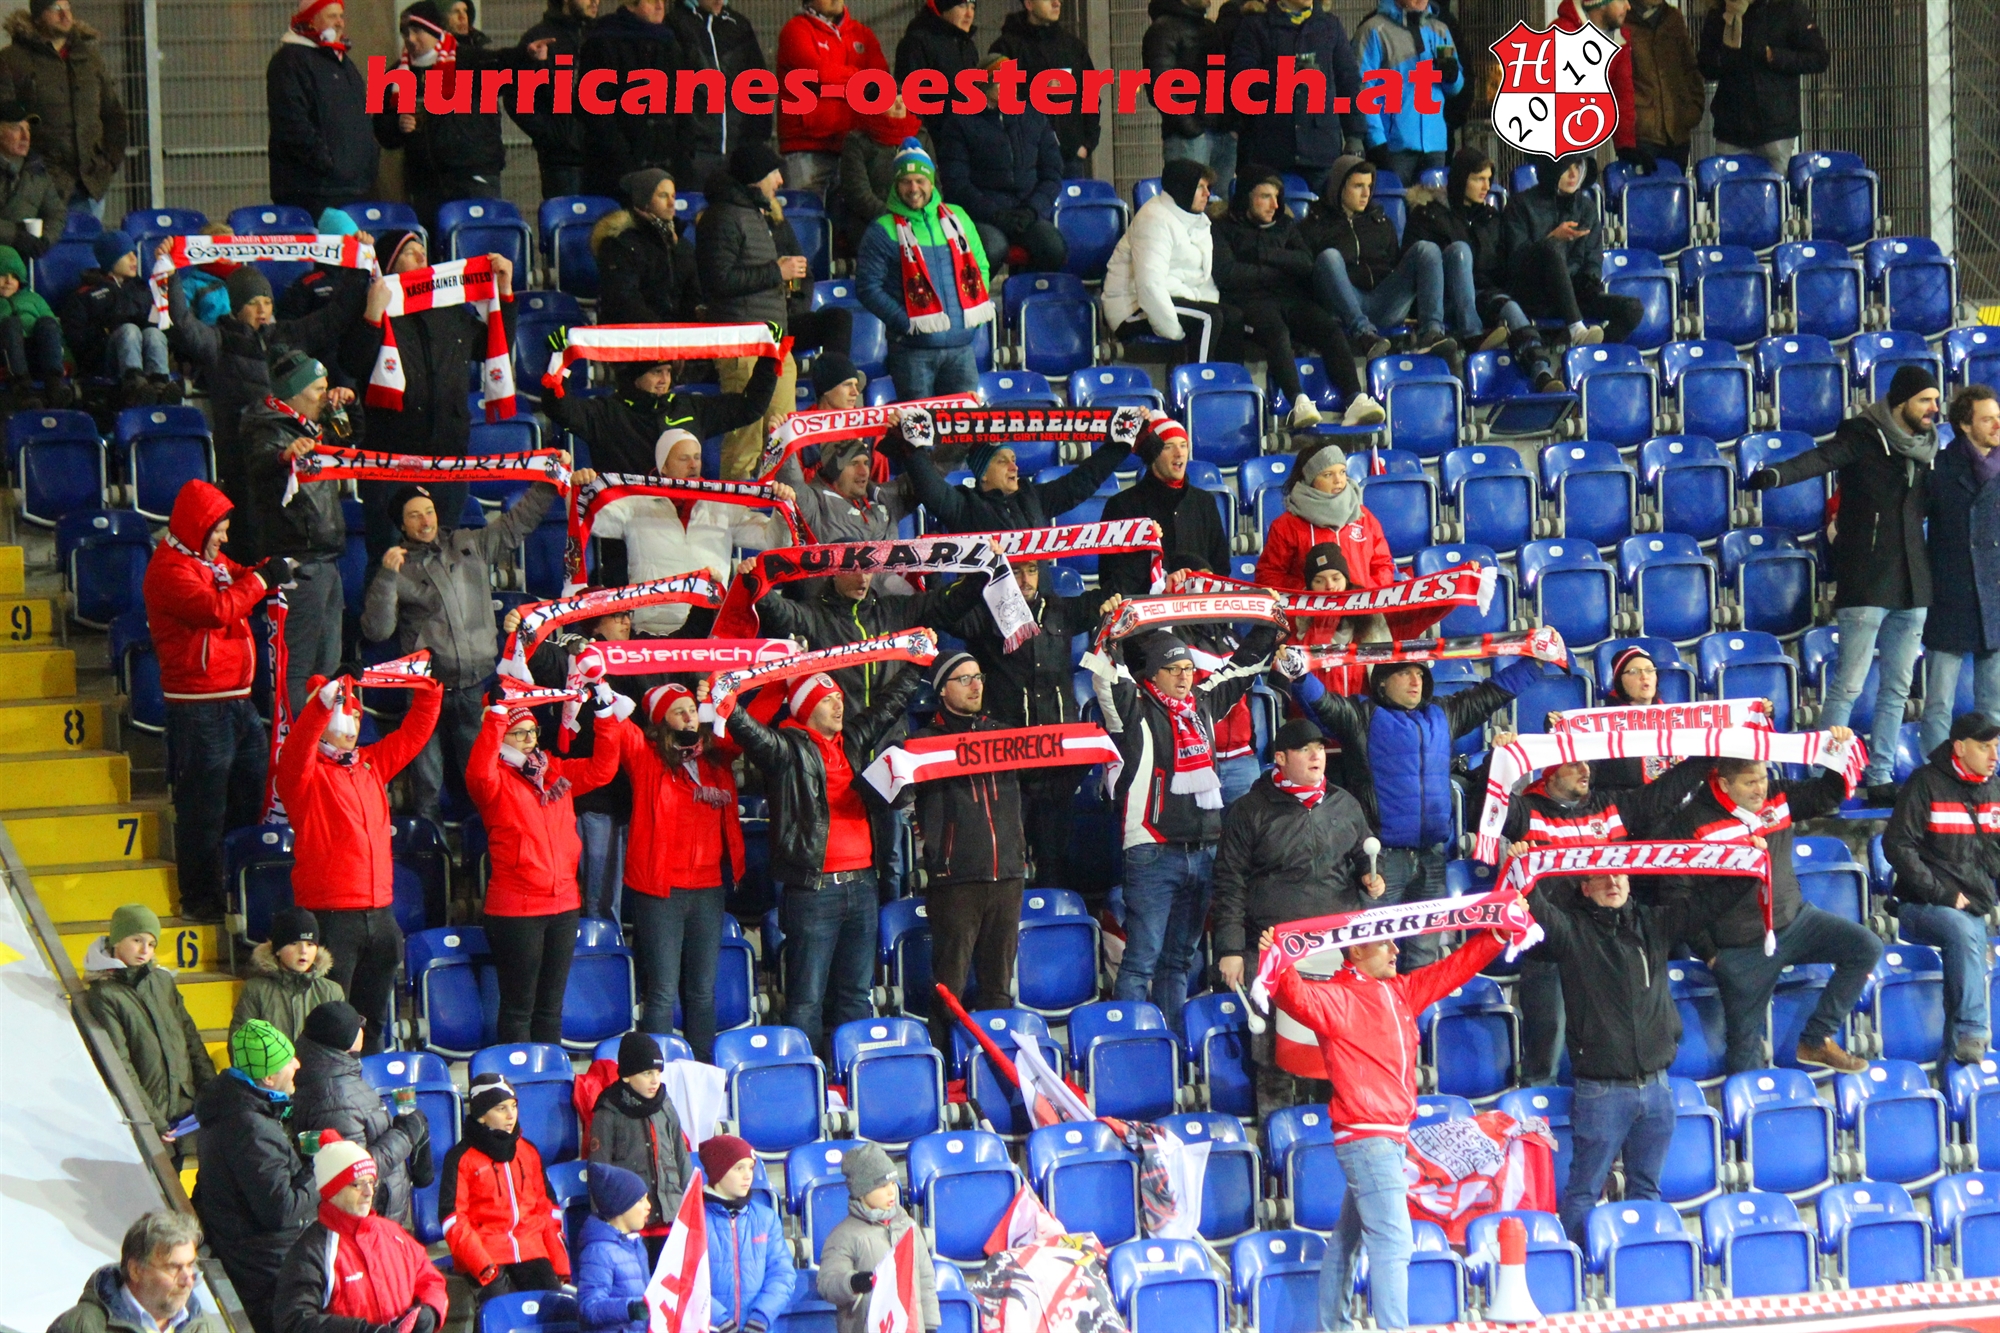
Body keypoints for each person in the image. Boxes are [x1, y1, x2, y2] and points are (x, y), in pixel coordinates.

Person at [1268, 926, 1506, 1331]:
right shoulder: (1338, 997)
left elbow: (1454, 968)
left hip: (1385, 1137)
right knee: (1393, 1243)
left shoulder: (1401, 991)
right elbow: (1292, 995)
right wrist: (1279, 956)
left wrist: (1496, 935)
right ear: (1357, 951)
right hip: (1369, 1138)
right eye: (1384, 942)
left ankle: (1333, 1327)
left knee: (1347, 1241)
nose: (1396, 949)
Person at [1744, 365, 1939, 804]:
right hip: (1867, 578)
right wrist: (1777, 475)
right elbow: (1821, 459)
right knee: (1849, 685)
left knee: (1898, 688)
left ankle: (1880, 775)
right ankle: (1824, 778)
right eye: (1925, 400)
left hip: (1913, 581)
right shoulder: (1863, 435)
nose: (1933, 408)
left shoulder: (1929, 449)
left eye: (1935, 399)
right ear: (1901, 401)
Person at [1287, 652, 1554, 970]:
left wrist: (1535, 664)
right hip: (1379, 861)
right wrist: (1298, 674)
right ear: (1382, 682)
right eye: (1405, 673)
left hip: (1432, 856)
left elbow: (1491, 693)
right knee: (1373, 959)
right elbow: (1323, 703)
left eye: (1420, 673)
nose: (1416, 680)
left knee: (1423, 960)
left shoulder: (1444, 713)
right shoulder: (1362, 716)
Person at [1528, 870, 1756, 1242]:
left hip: (1656, 1087)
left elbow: (1709, 903)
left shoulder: (1654, 924)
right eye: (1601, 878)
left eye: (1619, 875)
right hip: (1601, 1091)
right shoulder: (1572, 932)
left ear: (1630, 881)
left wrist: (1749, 866)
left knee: (1647, 1189)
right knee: (1585, 1190)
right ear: (1584, 888)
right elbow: (1534, 907)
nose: (1613, 883)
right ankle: (1577, 1270)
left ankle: (1638, 1261)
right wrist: (1521, 871)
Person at [1090, 622, 1277, 1033]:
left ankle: (1172, 1047)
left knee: (1179, 961)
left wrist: (1269, 625)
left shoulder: (1203, 705)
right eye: (1172, 668)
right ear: (1152, 674)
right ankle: (1130, 1046)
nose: (1182, 676)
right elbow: (1105, 675)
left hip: (1205, 850)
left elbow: (1243, 668)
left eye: (1188, 668)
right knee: (1141, 961)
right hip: (1152, 852)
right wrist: (1109, 629)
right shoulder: (1133, 710)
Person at [727, 669, 922, 1054]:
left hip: (862, 885)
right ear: (806, 708)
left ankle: (853, 1070)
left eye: (838, 698)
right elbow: (751, 734)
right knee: (806, 999)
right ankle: (808, 1075)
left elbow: (887, 707)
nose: (838, 705)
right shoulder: (787, 749)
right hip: (813, 891)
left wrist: (917, 664)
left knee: (856, 994)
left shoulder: (851, 741)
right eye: (827, 699)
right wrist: (727, 704)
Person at [1655, 749, 1879, 1073]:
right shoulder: (1691, 824)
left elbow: (1828, 794)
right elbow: (1675, 895)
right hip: (1741, 947)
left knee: (1866, 945)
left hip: (1796, 922)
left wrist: (1835, 756)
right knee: (1744, 1046)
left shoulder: (1778, 796)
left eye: (1763, 778)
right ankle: (1748, 1104)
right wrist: (1710, 953)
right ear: (1724, 783)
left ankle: (1816, 1039)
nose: (1761, 789)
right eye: (1750, 782)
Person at [362, 476, 572, 819]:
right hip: (426, 693)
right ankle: (430, 845)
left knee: (484, 780)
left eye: (428, 511)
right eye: (414, 515)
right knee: (427, 784)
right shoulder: (395, 569)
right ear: (401, 525)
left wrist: (549, 483)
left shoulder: (468, 543)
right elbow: (376, 630)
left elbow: (516, 523)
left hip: (477, 685)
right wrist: (386, 577)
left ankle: (489, 843)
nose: (425, 521)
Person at [1501, 757, 1704, 1085]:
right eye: (1574, 765)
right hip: (1550, 948)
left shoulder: (1610, 806)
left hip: (1608, 946)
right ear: (1550, 771)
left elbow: (1663, 793)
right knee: (1545, 1053)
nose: (1586, 771)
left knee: (1618, 1040)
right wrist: (1501, 758)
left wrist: (1706, 755)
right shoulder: (1526, 811)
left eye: (1587, 764)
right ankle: (1540, 1108)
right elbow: (1488, 804)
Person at [1213, 718, 1381, 1115]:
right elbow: (1229, 882)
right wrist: (1231, 948)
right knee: (1274, 1054)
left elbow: (1364, 853)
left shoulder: (1344, 803)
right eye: (1305, 750)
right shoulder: (1249, 811)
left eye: (1319, 748)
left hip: (1337, 947)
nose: (1316, 756)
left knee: (1336, 1046)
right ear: (1280, 758)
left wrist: (1371, 876)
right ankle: (1277, 1133)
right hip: (1275, 948)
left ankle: (1335, 1130)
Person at [276, 672, 443, 1053]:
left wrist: (428, 689)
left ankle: (370, 1084)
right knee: (331, 1024)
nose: (350, 727)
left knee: (374, 1024)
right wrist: (324, 703)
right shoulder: (302, 773)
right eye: (342, 717)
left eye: (354, 717)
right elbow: (300, 742)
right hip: (331, 916)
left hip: (381, 913)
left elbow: (414, 734)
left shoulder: (371, 763)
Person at [143, 481, 277, 923]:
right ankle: (200, 899)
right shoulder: (169, 570)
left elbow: (240, 575)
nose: (224, 537)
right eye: (218, 530)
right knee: (204, 808)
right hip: (198, 705)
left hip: (238, 700)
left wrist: (269, 570)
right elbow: (216, 610)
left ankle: (238, 887)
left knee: (249, 796)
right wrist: (261, 580)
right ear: (196, 527)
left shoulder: (208, 559)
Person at [340, 230, 517, 559]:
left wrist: (504, 292)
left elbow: (494, 346)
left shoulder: (450, 309)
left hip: (448, 454)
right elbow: (353, 363)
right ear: (390, 264)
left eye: (423, 250)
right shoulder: (372, 305)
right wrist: (371, 316)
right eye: (410, 252)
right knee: (389, 559)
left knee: (442, 558)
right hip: (390, 459)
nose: (422, 257)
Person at [164, 245, 368, 519]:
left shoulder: (287, 334)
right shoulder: (219, 340)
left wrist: (359, 268)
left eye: (267, 301)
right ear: (236, 306)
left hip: (293, 451)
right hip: (242, 460)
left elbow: (335, 317)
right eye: (253, 302)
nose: (262, 309)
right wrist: (171, 276)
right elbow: (184, 323)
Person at [468, 694, 621, 1044]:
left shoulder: (556, 773)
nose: (529, 739)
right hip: (516, 909)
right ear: (501, 738)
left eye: (532, 731)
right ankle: (518, 1075)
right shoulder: (493, 780)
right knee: (518, 1008)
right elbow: (479, 768)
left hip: (564, 905)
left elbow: (603, 769)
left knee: (551, 1009)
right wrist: (496, 715)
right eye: (518, 733)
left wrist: (604, 715)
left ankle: (549, 1072)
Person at [601, 683, 744, 1057]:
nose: (689, 717)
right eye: (678, 711)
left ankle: (703, 1071)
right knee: (663, 991)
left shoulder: (716, 757)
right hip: (660, 891)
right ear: (661, 721)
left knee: (702, 990)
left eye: (692, 709)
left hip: (708, 888)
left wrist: (722, 692)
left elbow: (748, 722)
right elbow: (616, 721)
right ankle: (658, 1073)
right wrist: (597, 681)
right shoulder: (646, 758)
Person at [951, 560, 1102, 893]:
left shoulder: (1062, 611)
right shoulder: (984, 614)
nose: (1025, 579)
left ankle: (1052, 922)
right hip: (1008, 765)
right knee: (1006, 862)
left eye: (1031, 570)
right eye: (1016, 571)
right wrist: (980, 576)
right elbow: (947, 613)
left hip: (1056, 764)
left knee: (1055, 860)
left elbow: (1117, 594)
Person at [904, 652, 1029, 1049]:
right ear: (942, 690)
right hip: (956, 880)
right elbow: (894, 795)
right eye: (964, 679)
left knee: (998, 988)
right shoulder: (923, 744)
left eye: (978, 677)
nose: (976, 686)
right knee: (949, 988)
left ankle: (998, 1067)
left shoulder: (1002, 735)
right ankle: (942, 1067)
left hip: (1007, 875)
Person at [1214, 172, 1378, 430]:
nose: (1274, 205)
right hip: (1249, 302)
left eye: (1277, 197)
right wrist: (1279, 268)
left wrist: (1262, 254)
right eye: (1265, 197)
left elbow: (1305, 264)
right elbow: (1228, 274)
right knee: (1277, 333)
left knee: (1329, 328)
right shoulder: (1223, 228)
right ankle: (1299, 403)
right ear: (1246, 198)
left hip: (1290, 299)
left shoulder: (1286, 225)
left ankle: (1355, 399)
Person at [1885, 712, 2000, 1065]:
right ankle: (1974, 1029)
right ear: (1960, 748)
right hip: (1920, 905)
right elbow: (1896, 845)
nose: (1994, 756)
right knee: (1964, 932)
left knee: (1966, 943)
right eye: (1984, 747)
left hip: (1973, 906)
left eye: (1996, 747)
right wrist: (1941, 894)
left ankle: (1954, 1064)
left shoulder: (1994, 789)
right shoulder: (1925, 783)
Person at [696, 142, 812, 479]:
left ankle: (782, 509)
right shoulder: (721, 217)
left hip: (774, 345)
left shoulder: (754, 215)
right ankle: (736, 509)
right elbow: (718, 281)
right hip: (742, 344)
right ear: (754, 177)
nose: (780, 180)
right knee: (744, 444)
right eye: (773, 173)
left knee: (783, 440)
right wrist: (777, 271)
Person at [191, 1020, 314, 1333]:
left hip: (251, 1260)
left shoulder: (230, 1108)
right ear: (268, 1078)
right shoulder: (251, 1129)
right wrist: (319, 1169)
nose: (297, 1064)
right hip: (267, 1273)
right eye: (287, 1060)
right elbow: (281, 1210)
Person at [587, 429, 772, 635]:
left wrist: (782, 509)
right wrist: (580, 489)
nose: (693, 465)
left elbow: (772, 539)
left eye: (697, 457)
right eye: (684, 458)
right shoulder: (637, 504)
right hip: (653, 630)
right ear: (664, 467)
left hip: (712, 629)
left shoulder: (722, 506)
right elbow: (592, 521)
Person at [244, 350, 348, 713]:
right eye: (318, 389)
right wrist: (283, 456)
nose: (325, 396)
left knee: (329, 666)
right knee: (299, 664)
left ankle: (324, 740)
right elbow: (259, 462)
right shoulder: (267, 426)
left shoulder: (310, 425)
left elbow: (355, 441)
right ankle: (292, 739)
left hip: (327, 556)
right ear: (295, 393)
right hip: (299, 559)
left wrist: (347, 407)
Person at [1403, 149, 1563, 386]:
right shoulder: (1429, 215)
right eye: (1478, 179)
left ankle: (1541, 372)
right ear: (1461, 180)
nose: (1486, 186)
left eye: (1489, 179)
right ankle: (1473, 336)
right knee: (1460, 251)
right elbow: (1418, 267)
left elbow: (1505, 266)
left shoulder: (1490, 217)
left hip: (1482, 295)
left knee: (1510, 308)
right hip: (1446, 299)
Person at [854, 138, 993, 401]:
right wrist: (906, 323)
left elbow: (981, 267)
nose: (913, 188)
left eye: (920, 180)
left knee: (963, 427)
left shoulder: (959, 217)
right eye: (906, 182)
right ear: (896, 185)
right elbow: (867, 287)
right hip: (912, 354)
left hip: (962, 351)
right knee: (918, 427)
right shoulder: (882, 230)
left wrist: (973, 319)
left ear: (931, 182)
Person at [271, 1134, 449, 1333]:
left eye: (371, 1182)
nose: (369, 1192)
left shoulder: (393, 1234)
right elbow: (295, 1322)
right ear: (332, 1190)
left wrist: (431, 1310)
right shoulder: (312, 1252)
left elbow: (430, 1278)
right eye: (357, 1184)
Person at [290, 1001, 433, 1231]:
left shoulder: (333, 1072)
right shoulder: (335, 1096)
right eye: (358, 1025)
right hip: (363, 1222)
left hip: (371, 1217)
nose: (363, 1029)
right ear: (344, 1039)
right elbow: (354, 1169)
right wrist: (405, 1135)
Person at [542, 343, 779, 478]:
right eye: (657, 372)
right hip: (624, 528)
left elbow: (750, 407)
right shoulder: (606, 413)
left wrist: (769, 360)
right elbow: (559, 408)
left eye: (668, 372)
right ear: (635, 376)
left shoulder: (688, 406)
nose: (665, 380)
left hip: (685, 522)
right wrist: (558, 362)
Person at [890, 402, 1132, 533]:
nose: (1014, 467)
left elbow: (1083, 480)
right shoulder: (965, 507)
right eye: (1002, 461)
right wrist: (909, 440)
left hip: (1039, 605)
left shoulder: (1035, 497)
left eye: (1013, 459)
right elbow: (928, 485)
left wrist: (1124, 441)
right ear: (983, 475)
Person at [372, 3, 507, 236]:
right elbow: (380, 128)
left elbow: (508, 64)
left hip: (472, 176)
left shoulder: (469, 60)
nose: (410, 39)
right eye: (405, 33)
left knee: (477, 244)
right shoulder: (395, 74)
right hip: (425, 182)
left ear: (435, 31)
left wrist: (529, 55)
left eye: (417, 31)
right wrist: (397, 125)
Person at [1303, 157, 1455, 361]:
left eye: (1369, 186)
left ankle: (1431, 333)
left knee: (1427, 250)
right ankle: (1364, 335)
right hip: (1343, 306)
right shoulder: (1314, 224)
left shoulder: (1381, 221)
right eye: (1358, 186)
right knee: (1329, 257)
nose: (1366, 193)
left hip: (1384, 301)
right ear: (1339, 187)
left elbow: (1395, 263)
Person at [84, 904, 215, 1141]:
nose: (145, 950)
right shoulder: (103, 994)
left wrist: (210, 1094)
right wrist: (153, 1120)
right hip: (148, 1119)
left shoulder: (162, 981)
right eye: (137, 940)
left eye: (152, 944)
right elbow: (119, 1064)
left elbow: (190, 1039)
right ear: (117, 939)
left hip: (186, 1109)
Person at [440, 1073, 572, 1298]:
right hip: (485, 1252)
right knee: (500, 1309)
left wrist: (559, 1262)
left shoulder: (528, 1151)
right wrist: (481, 1263)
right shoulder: (460, 1158)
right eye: (501, 1108)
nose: (511, 1115)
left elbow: (547, 1209)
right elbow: (453, 1218)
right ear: (482, 1116)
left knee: (552, 1305)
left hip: (531, 1248)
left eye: (514, 1106)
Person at [1102, 160, 1245, 367]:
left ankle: (1231, 384)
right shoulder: (1154, 219)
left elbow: (1201, 277)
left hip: (1176, 298)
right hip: (1132, 307)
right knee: (1209, 318)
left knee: (1233, 316)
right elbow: (1149, 286)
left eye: (1208, 187)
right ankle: (1200, 383)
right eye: (1200, 187)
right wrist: (1174, 331)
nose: (1207, 194)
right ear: (1182, 189)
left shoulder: (1197, 220)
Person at [933, 53, 1067, 274]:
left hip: (1027, 212)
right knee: (993, 248)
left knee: (1053, 248)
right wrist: (995, 215)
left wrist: (1032, 210)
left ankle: (1026, 291)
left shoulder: (1034, 118)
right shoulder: (959, 123)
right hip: (983, 216)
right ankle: (979, 295)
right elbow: (956, 183)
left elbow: (1052, 174)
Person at [1921, 385, 2000, 753]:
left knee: (1993, 704)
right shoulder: (1938, 467)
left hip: (1994, 596)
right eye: (1988, 419)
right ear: (1965, 426)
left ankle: (1991, 774)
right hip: (1949, 595)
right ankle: (1935, 775)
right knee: (1938, 703)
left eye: (1998, 417)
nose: (1997, 425)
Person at [1500, 154, 1643, 347]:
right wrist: (1552, 238)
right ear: (1552, 170)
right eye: (1566, 168)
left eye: (1578, 167)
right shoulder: (1520, 204)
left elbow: (1593, 259)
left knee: (1633, 309)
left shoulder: (1586, 207)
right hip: (1535, 296)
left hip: (1576, 294)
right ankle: (1577, 331)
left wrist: (1589, 282)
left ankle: (1589, 353)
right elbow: (1515, 262)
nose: (1573, 174)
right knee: (1552, 247)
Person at [0, 0, 124, 215]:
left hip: (90, 182)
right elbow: (5, 118)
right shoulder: (13, 60)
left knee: (86, 237)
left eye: (67, 8)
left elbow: (112, 113)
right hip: (36, 185)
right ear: (38, 16)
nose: (65, 15)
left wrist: (109, 161)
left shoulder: (89, 58)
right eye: (56, 9)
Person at [1228, 0, 1362, 181]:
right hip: (1270, 150)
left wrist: (1355, 135)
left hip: (1321, 151)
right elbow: (1241, 80)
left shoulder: (1331, 26)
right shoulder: (1256, 26)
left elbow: (1349, 83)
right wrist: (1286, 74)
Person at [266, 1, 377, 215]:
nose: (339, 23)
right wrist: (327, 163)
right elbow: (292, 123)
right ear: (311, 20)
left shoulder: (343, 62)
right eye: (331, 16)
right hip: (314, 190)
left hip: (352, 187)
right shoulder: (289, 61)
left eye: (341, 16)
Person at [1096, 415, 1229, 594]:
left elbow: (1221, 569)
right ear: (1153, 455)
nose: (1179, 453)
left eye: (1183, 445)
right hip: (1145, 609)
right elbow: (1110, 577)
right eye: (1168, 446)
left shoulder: (1205, 502)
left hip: (1200, 608)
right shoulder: (1121, 506)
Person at [816, 1142, 939, 1333]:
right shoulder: (843, 1235)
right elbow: (827, 1284)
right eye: (882, 1186)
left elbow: (925, 1280)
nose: (891, 1191)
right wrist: (852, 1283)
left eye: (893, 1183)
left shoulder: (908, 1226)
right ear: (861, 1192)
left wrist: (930, 1326)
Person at [1698, 0, 1828, 173]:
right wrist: (1725, 56)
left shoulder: (1787, 8)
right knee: (1731, 189)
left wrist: (1774, 56)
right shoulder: (1720, 12)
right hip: (1732, 129)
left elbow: (1818, 58)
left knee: (1774, 187)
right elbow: (1706, 67)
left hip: (1775, 128)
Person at [588, 1032, 694, 1237]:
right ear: (627, 1075)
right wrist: (606, 1226)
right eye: (647, 1073)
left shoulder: (665, 1105)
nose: (655, 1080)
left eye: (658, 1072)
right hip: (630, 1221)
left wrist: (691, 1207)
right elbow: (599, 1172)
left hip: (671, 1217)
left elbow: (682, 1158)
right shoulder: (608, 1111)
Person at [777, 0, 888, 197]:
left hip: (853, 149)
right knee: (806, 214)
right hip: (807, 148)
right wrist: (862, 80)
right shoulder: (795, 30)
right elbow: (819, 75)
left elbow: (881, 82)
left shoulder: (862, 33)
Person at [48, 1212, 225, 1333]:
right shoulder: (83, 1326)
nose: (187, 1280)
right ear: (136, 1270)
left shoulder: (205, 1327)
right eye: (173, 1268)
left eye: (190, 1266)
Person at [1350, 0, 1465, 184]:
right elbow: (1361, 91)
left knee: (1435, 203)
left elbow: (1455, 88)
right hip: (1393, 148)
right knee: (1394, 200)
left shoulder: (1440, 30)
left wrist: (1452, 77)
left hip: (1434, 146)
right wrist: (1376, 142)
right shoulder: (1373, 30)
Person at [1255, 444, 1394, 591]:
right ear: (1310, 479)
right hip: (1310, 605)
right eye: (1328, 475)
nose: (1338, 480)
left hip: (1362, 603)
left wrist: (1366, 593)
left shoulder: (1363, 516)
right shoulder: (1286, 525)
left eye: (1342, 472)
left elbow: (1383, 565)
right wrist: (1306, 590)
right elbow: (1268, 575)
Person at [576, 0, 677, 198]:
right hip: (617, 170)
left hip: (665, 168)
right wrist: (624, 157)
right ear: (631, 5)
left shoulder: (669, 42)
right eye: (651, 1)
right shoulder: (603, 40)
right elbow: (594, 107)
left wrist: (682, 150)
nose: (660, 6)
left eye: (663, 1)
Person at [63, 229, 174, 405]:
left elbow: (159, 320)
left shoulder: (142, 288)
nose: (134, 259)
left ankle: (160, 383)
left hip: (141, 351)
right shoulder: (86, 294)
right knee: (129, 330)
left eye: (134, 253)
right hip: (103, 359)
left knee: (154, 333)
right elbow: (77, 338)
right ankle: (133, 383)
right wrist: (106, 331)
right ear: (110, 260)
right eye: (126, 254)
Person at [989, 0, 1098, 177]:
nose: (1057, 3)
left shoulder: (1073, 46)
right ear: (1029, 4)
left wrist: (1086, 144)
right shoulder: (1007, 48)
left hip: (1070, 159)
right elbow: (998, 101)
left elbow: (1091, 94)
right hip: (1026, 161)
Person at [701, 1134, 796, 1333]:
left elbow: (782, 1273)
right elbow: (687, 1280)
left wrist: (761, 1317)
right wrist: (719, 1320)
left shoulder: (766, 1218)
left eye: (751, 1167)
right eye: (739, 1168)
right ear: (718, 1172)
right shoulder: (695, 1220)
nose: (748, 1176)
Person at [668, 0, 769, 187]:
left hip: (738, 151)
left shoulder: (739, 26)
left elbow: (757, 85)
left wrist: (756, 141)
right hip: (696, 152)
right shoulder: (676, 25)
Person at [1143, 0, 1233, 199]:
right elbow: (1160, 87)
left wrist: (1230, 125)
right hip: (1189, 137)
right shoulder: (1162, 31)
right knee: (1188, 204)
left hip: (1220, 132)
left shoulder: (1209, 28)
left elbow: (1222, 78)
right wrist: (1190, 128)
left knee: (1221, 208)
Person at [509, 0, 597, 200]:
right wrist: (553, 136)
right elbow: (517, 98)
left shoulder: (598, 36)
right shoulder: (539, 39)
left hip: (603, 159)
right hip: (562, 163)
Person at [594, 168, 700, 326]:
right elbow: (625, 301)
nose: (672, 203)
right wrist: (660, 330)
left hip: (672, 333)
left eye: (673, 196)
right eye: (663, 195)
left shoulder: (681, 244)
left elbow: (693, 294)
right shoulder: (620, 244)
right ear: (644, 200)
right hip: (636, 334)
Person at [232, 906, 345, 1042]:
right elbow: (239, 1042)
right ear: (277, 950)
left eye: (310, 944)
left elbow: (341, 1045)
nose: (303, 951)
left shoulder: (331, 991)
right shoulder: (255, 990)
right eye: (294, 943)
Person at [1623, 0, 1705, 171]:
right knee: (1645, 186)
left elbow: (1690, 67)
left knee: (1676, 185)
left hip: (1678, 128)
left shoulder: (1673, 17)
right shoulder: (1623, 20)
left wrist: (1693, 110)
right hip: (1642, 132)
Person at [1554, 0, 1637, 166]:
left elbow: (1623, 94)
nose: (1628, 6)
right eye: (1621, 0)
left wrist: (1625, 144)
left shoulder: (1619, 39)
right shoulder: (1563, 33)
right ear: (1601, 3)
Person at [836, 100, 929, 245]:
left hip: (919, 224)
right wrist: (896, 220)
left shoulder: (920, 135)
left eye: (903, 100)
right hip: (872, 226)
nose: (900, 106)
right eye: (891, 102)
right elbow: (858, 193)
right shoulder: (857, 140)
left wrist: (919, 218)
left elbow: (934, 185)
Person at [576, 1163, 653, 1333]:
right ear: (621, 1206)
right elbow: (589, 1307)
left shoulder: (637, 1246)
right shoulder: (598, 1252)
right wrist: (630, 1309)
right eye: (641, 1200)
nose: (648, 1206)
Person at [0, 99, 61, 261]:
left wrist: (45, 240)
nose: (25, 136)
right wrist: (14, 235)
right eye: (16, 128)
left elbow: (56, 213)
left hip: (22, 261)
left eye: (27, 129)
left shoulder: (38, 172)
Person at [0, 243, 60, 400]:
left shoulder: (33, 299)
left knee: (47, 323)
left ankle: (55, 384)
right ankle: (22, 388)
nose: (9, 281)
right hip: (6, 357)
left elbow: (55, 330)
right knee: (10, 324)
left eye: (14, 276)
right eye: (2, 275)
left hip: (37, 354)